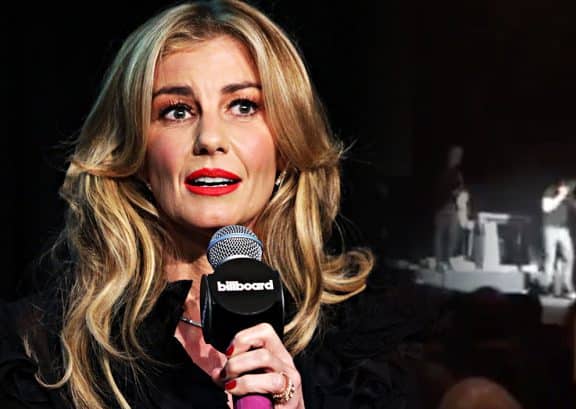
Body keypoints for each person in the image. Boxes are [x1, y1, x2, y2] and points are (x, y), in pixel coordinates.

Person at [0, 1, 424, 408]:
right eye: (177, 111)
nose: (209, 139)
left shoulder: (363, 346)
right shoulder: (40, 349)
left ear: (286, 147)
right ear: (137, 154)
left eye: (243, 106)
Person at [540, 177, 576, 299]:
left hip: (563, 229)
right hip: (550, 228)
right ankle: (546, 286)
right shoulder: (550, 191)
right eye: (567, 187)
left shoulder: (569, 196)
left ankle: (567, 287)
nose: (569, 190)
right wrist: (560, 197)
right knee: (550, 257)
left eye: (570, 189)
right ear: (561, 185)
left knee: (569, 256)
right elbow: (546, 208)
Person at [432, 144, 466, 272]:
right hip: (442, 208)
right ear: (450, 155)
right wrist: (454, 192)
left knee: (452, 237)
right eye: (456, 154)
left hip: (452, 207)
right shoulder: (442, 172)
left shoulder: (457, 173)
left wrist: (460, 193)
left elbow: (460, 189)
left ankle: (448, 262)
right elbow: (439, 190)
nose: (458, 157)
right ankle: (439, 263)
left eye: (460, 155)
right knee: (440, 236)